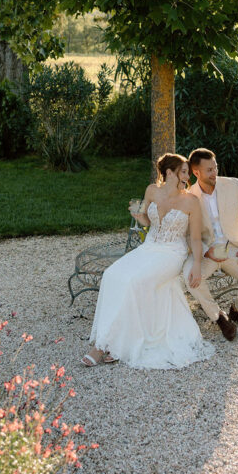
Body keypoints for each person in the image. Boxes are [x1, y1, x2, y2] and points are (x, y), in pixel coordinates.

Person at [82, 153, 215, 369]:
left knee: (135, 282)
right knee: (112, 275)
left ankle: (103, 346)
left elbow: (195, 237)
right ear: (169, 173)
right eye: (183, 172)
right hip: (149, 248)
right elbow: (146, 219)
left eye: (187, 173)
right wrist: (138, 215)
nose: (186, 177)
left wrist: (197, 266)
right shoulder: (152, 191)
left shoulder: (191, 201)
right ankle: (116, 341)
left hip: (172, 253)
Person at [183, 147, 238, 340]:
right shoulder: (189, 196)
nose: (215, 172)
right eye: (209, 170)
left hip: (235, 249)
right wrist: (206, 252)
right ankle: (219, 316)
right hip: (207, 251)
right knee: (192, 279)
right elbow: (189, 233)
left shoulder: (233, 185)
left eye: (215, 167)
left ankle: (237, 311)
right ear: (196, 172)